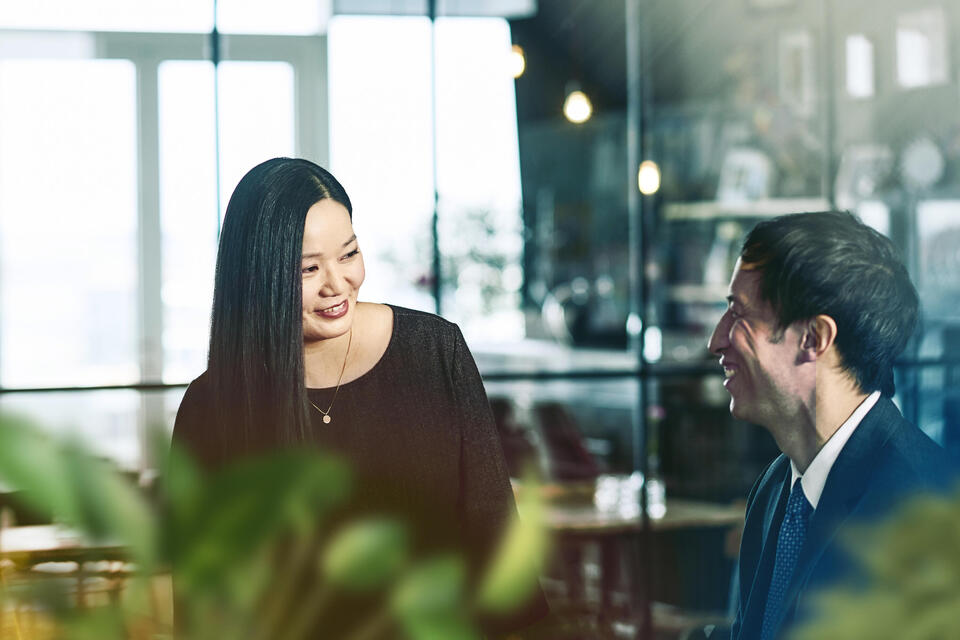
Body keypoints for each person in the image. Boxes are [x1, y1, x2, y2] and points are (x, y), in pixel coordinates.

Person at [172, 157, 547, 636]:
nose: (337, 284)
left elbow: (496, 540)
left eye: (348, 254)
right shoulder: (212, 406)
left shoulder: (434, 351)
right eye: (308, 268)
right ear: (256, 277)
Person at [707, 211, 952, 640]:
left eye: (739, 315)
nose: (715, 341)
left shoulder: (924, 509)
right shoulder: (775, 487)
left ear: (814, 338)